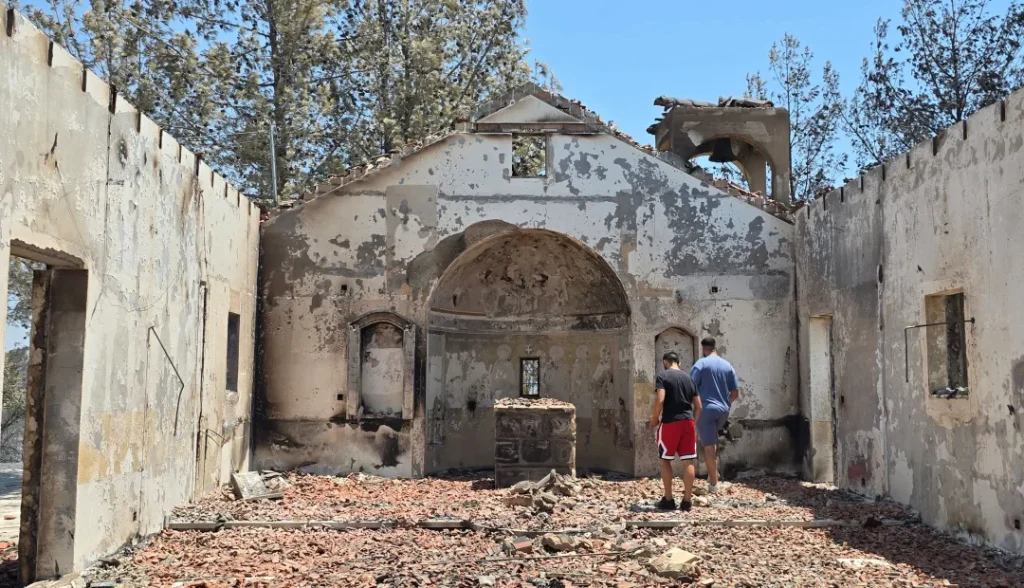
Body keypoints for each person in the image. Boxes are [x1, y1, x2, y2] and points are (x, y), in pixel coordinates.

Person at [649, 351, 702, 511]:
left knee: (665, 459)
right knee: (688, 461)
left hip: (670, 422)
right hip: (688, 422)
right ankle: (687, 501)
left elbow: (660, 399)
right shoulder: (689, 379)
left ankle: (669, 499)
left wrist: (655, 417)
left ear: (665, 362)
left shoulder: (663, 376)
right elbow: (699, 406)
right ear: (679, 363)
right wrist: (693, 423)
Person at [690, 337, 739, 494]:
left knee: (708, 446)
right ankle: (713, 473)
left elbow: (690, 387)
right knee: (712, 439)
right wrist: (725, 403)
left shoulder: (701, 364)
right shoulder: (727, 365)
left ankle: (714, 484)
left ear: (704, 348)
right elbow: (735, 392)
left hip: (706, 409)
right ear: (714, 347)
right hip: (723, 410)